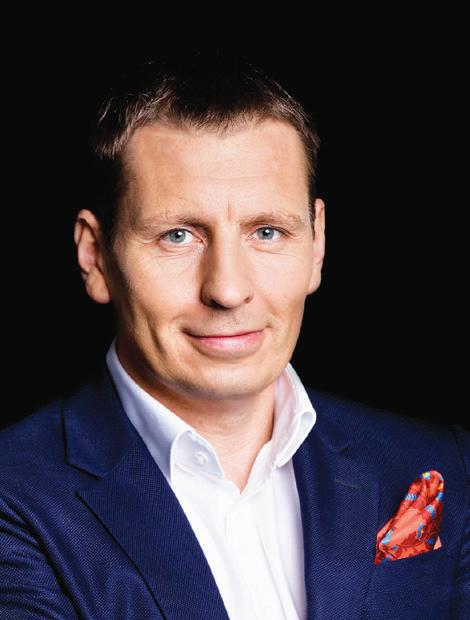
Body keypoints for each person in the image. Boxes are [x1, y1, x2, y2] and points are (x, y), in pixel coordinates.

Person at [0, 51, 468, 620]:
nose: (227, 289)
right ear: (95, 256)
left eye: (266, 232)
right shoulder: (15, 496)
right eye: (178, 235)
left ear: (317, 245)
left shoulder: (439, 463)